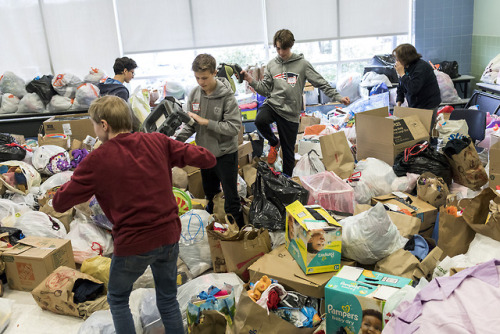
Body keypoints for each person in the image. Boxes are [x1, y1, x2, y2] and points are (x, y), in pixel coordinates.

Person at [52, 95, 216, 334]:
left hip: (134, 242)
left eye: (94, 124)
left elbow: (59, 203)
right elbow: (207, 158)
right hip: (169, 235)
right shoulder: (158, 141)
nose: (95, 129)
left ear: (104, 124)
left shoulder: (97, 159)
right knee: (168, 300)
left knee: (118, 298)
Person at [241, 29, 350, 177]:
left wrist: (338, 96)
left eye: (284, 48)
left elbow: (321, 82)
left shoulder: (302, 64)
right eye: (278, 48)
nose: (281, 52)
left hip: (290, 113)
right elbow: (265, 90)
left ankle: (288, 182)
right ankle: (274, 142)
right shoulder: (272, 65)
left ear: (290, 46)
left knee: (288, 153)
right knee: (260, 120)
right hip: (273, 105)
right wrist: (250, 80)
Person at [176, 54, 245, 228]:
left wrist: (206, 122)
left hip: (225, 154)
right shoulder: (194, 94)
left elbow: (233, 127)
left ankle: (242, 237)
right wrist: (174, 141)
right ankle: (215, 235)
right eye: (197, 78)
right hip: (204, 155)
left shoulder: (227, 97)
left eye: (205, 78)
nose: (201, 82)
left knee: (231, 200)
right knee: (211, 196)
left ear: (214, 73)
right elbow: (190, 125)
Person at [393, 44, 441, 109]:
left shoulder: (421, 67)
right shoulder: (406, 67)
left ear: (405, 58)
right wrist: (398, 103)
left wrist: (402, 74)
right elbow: (401, 86)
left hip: (428, 105)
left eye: (398, 60)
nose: (396, 62)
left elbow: (413, 89)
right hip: (416, 104)